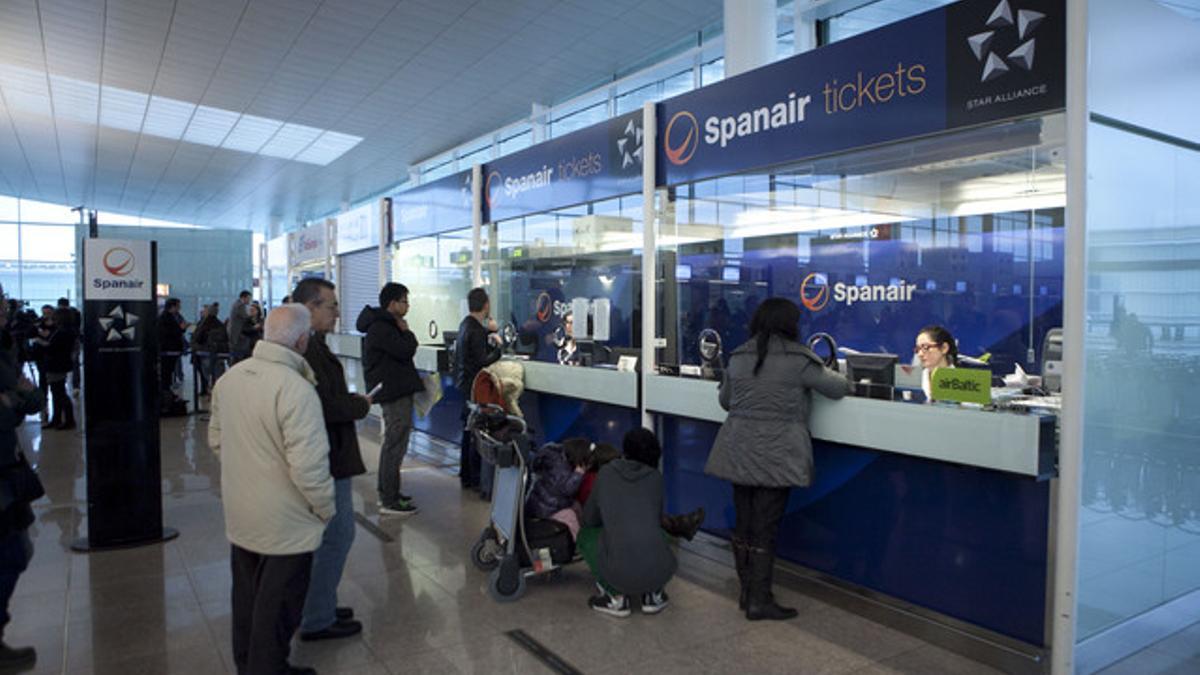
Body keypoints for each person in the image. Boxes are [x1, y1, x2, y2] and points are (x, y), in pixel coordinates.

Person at [705, 298, 851, 621]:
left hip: (739, 449)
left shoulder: (739, 355)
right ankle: (760, 599)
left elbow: (726, 401)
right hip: (777, 453)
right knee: (765, 528)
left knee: (743, 524)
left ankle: (747, 593)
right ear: (790, 324)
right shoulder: (798, 359)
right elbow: (839, 388)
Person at [209, 304, 333, 675]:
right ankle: (269, 668)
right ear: (301, 339)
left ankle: (248, 664)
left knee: (247, 597)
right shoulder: (295, 389)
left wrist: (250, 470)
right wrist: (325, 508)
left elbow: (216, 440)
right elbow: (309, 467)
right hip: (286, 522)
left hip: (241, 512)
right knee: (279, 604)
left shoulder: (231, 378)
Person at [292, 279, 371, 641]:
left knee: (331, 536)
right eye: (331, 305)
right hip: (327, 455)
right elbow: (321, 406)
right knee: (337, 535)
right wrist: (359, 405)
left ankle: (318, 604)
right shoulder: (306, 350)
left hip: (331, 451)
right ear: (309, 307)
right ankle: (316, 617)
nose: (337, 312)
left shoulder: (314, 346)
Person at [579, 428, 676, 617]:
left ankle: (615, 598)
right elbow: (654, 520)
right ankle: (653, 594)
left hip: (618, 571)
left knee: (585, 535)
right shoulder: (656, 478)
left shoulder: (606, 473)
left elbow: (589, 518)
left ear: (625, 449)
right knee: (658, 534)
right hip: (659, 570)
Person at [356, 283, 424, 516]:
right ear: (392, 303)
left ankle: (390, 492)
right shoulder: (383, 327)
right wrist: (407, 332)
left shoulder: (384, 325)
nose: (407, 305)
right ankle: (389, 499)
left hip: (395, 390)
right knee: (395, 444)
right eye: (404, 300)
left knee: (396, 443)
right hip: (393, 393)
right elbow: (406, 350)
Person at [0, 285, 41, 668]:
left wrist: (15, 400)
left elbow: (31, 399)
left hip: (7, 468)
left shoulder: (6, 349)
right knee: (12, 552)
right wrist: (16, 399)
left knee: (18, 550)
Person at [454, 287, 502, 491]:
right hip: (475, 386)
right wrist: (498, 349)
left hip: (464, 384)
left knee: (468, 429)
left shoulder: (465, 325)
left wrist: (488, 332)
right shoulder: (475, 330)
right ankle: (474, 477)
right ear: (486, 305)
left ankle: (466, 474)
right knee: (476, 431)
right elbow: (482, 360)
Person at [525, 438, 592, 539]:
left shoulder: (556, 457)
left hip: (542, 501)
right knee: (571, 517)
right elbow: (566, 490)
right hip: (546, 509)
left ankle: (583, 532)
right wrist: (579, 473)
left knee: (576, 506)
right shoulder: (561, 467)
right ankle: (578, 543)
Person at [35, 308, 77, 431]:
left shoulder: (62, 332)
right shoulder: (66, 331)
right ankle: (57, 419)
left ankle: (67, 420)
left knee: (59, 393)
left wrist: (41, 342)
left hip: (57, 365)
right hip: (59, 364)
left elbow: (53, 347)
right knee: (57, 392)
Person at [914, 324, 958, 402]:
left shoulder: (963, 382)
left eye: (925, 347)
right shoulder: (915, 379)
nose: (920, 354)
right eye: (917, 349)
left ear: (944, 348)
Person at [157, 298, 188, 401]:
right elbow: (170, 333)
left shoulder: (168, 317)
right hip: (169, 349)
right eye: (178, 306)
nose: (179, 308)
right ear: (173, 306)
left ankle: (167, 392)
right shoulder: (166, 318)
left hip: (171, 349)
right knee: (167, 371)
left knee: (168, 372)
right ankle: (165, 393)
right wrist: (181, 328)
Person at [56, 298, 80, 392]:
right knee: (75, 363)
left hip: (63, 340)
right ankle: (76, 386)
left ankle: (63, 382)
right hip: (74, 339)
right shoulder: (75, 312)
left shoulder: (58, 313)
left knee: (63, 361)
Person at [227, 290, 253, 362]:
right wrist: (252, 315)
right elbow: (245, 316)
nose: (249, 300)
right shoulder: (240, 305)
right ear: (244, 298)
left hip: (233, 331)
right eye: (248, 298)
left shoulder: (236, 304)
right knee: (238, 351)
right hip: (236, 332)